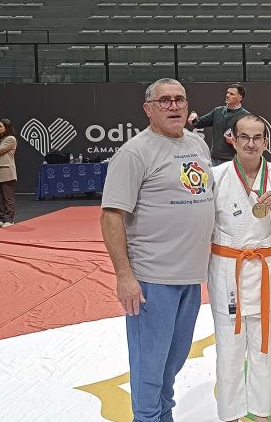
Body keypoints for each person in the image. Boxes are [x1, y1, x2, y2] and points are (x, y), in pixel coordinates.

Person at [100, 78, 215, 422]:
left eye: (179, 99)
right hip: (152, 279)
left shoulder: (197, 143)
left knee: (173, 361)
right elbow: (111, 215)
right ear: (148, 109)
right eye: (164, 101)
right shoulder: (134, 153)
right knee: (149, 366)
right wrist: (124, 276)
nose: (174, 106)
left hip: (190, 277)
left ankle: (163, 415)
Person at [209, 115, 271, 422]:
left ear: (265, 142)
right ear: (232, 139)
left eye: (257, 137)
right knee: (228, 350)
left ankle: (261, 414)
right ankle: (230, 415)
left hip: (267, 269)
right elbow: (203, 225)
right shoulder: (216, 176)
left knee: (265, 349)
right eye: (244, 137)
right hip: (228, 271)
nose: (250, 143)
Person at [188, 83, 251, 165]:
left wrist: (234, 142)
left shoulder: (245, 116)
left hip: (234, 161)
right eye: (227, 93)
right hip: (214, 160)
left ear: (240, 97)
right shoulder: (217, 111)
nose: (227, 95)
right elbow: (197, 123)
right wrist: (193, 114)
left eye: (231, 94)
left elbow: (249, 140)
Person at [0, 118, 17, 228]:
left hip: (6, 172)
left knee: (8, 197)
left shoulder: (11, 139)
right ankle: (2, 218)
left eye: (0, 126)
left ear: (6, 128)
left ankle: (9, 219)